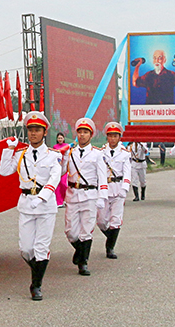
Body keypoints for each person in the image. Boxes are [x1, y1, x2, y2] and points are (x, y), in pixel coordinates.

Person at [0, 112, 61, 300]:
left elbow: (55, 178)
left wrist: (42, 197)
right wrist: (8, 150)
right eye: (31, 130)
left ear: (44, 132)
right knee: (26, 248)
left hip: (45, 205)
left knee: (41, 247)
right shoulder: (21, 154)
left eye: (37, 130)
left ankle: (36, 285)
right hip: (26, 204)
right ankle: (39, 270)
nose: (33, 134)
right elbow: (3, 171)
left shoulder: (53, 156)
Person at [61, 118, 108, 276]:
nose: (82, 135)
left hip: (90, 195)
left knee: (86, 230)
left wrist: (102, 197)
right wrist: (63, 158)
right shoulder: (71, 152)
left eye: (85, 132)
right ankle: (80, 253)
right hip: (73, 194)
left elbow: (102, 176)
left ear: (91, 135)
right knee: (70, 232)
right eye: (80, 132)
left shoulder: (97, 154)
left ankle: (83, 262)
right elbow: (62, 172)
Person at [97, 122, 131, 260]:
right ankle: (111, 237)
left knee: (115, 220)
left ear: (119, 137)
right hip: (104, 188)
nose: (112, 139)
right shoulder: (100, 152)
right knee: (101, 220)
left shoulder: (124, 154)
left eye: (115, 136)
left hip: (118, 188)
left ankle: (110, 248)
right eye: (110, 136)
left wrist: (125, 188)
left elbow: (127, 172)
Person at [53, 133, 69, 207]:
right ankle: (58, 202)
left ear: (63, 139)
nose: (60, 139)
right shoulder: (55, 147)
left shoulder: (67, 146)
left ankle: (65, 200)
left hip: (65, 168)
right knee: (57, 185)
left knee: (64, 185)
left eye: (61, 138)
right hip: (57, 168)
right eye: (58, 138)